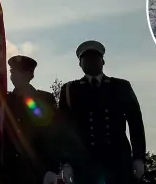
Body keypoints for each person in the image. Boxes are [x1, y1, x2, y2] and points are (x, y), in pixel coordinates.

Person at [58, 40, 146, 184]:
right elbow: (64, 129)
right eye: (86, 59)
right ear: (80, 64)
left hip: (118, 161)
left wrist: (138, 157)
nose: (91, 62)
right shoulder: (70, 90)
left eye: (95, 58)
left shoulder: (120, 86)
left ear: (103, 61)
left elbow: (135, 122)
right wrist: (66, 162)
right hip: (85, 164)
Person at [0, 55, 73, 184]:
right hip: (6, 172)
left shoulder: (44, 99)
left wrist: (52, 168)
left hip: (37, 172)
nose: (14, 75)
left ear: (30, 75)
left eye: (20, 71)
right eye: (12, 71)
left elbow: (54, 136)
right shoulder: (3, 101)